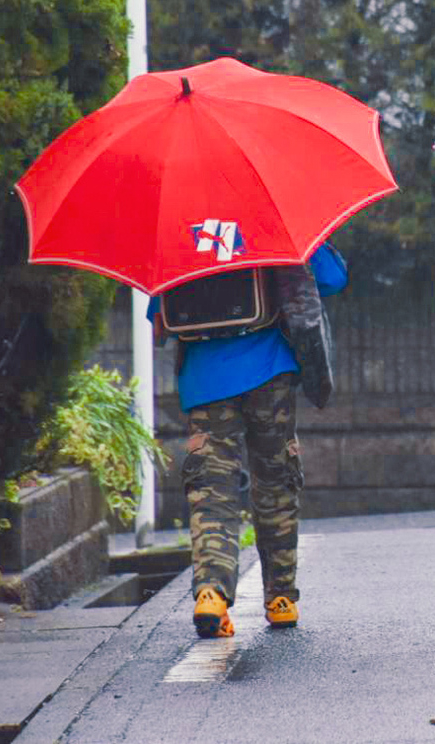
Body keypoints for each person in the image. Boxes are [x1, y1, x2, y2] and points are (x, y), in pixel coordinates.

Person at [148, 243, 347, 638]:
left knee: (211, 488)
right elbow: (332, 278)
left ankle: (211, 592)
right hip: (270, 369)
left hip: (205, 379)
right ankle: (280, 598)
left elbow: (158, 318)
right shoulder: (267, 218)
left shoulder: (179, 230)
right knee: (276, 480)